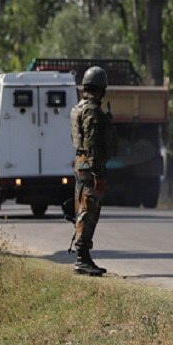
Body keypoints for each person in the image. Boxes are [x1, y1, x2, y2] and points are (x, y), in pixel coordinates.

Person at [70, 66, 117, 276]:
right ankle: (82, 258)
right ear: (101, 89)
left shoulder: (77, 108)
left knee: (84, 209)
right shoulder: (92, 112)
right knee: (89, 211)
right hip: (90, 167)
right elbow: (92, 145)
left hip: (81, 164)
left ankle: (84, 256)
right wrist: (98, 174)